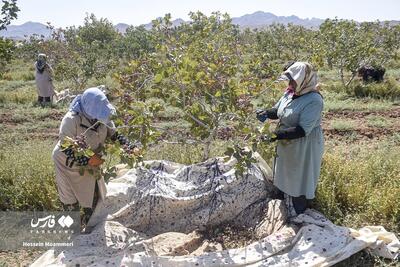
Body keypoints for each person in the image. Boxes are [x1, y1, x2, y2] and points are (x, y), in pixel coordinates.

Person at [52, 87, 137, 226]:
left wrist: (130, 147)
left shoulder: (103, 117)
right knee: (69, 197)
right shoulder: (71, 120)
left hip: (91, 163)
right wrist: (89, 159)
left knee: (94, 194)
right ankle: (72, 230)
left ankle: (90, 224)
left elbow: (115, 135)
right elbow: (66, 146)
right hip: (65, 163)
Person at [256, 62, 324, 217]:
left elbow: (302, 130)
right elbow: (279, 111)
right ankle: (283, 207)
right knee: (284, 172)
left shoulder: (314, 100)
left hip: (304, 145)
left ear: (303, 80)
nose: (290, 83)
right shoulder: (291, 93)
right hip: (287, 141)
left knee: (299, 176)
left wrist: (275, 136)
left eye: (293, 80)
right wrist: (266, 113)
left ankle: (299, 212)